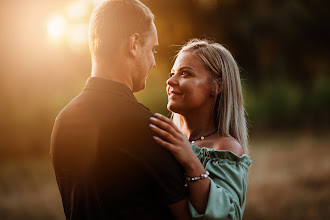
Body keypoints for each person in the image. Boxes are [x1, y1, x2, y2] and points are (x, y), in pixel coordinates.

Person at [50, 1, 191, 219]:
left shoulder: (63, 121)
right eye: (152, 49)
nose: (154, 62)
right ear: (133, 44)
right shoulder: (150, 128)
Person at [149, 39, 252, 219]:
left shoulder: (225, 148)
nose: (170, 81)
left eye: (185, 73)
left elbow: (228, 216)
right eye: (172, 73)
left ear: (216, 86)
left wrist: (191, 162)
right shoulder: (168, 139)